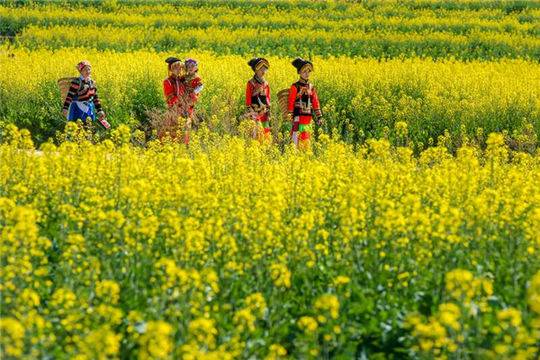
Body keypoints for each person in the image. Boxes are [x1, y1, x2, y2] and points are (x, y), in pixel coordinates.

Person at [287, 58, 323, 149]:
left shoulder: (311, 87)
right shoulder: (295, 86)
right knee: (296, 139)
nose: (307, 74)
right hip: (298, 117)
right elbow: (291, 102)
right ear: (299, 72)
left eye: (308, 71)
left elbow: (315, 102)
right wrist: (290, 115)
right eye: (304, 71)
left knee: (306, 139)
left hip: (308, 117)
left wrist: (319, 116)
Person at [62, 60, 108, 128]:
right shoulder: (77, 82)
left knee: (89, 128)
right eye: (85, 70)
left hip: (89, 108)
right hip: (77, 108)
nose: (88, 71)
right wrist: (65, 108)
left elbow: (95, 97)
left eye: (89, 69)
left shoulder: (92, 82)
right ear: (81, 71)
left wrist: (99, 110)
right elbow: (70, 96)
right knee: (77, 128)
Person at [245, 57, 271, 143]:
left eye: (265, 69)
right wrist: (251, 113)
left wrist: (268, 110)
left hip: (264, 113)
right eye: (261, 69)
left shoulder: (266, 84)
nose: (263, 71)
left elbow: (268, 98)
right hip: (254, 112)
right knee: (255, 135)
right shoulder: (251, 83)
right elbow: (248, 100)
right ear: (256, 70)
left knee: (265, 133)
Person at [161, 56, 185, 141]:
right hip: (173, 110)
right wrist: (181, 102)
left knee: (184, 132)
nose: (179, 70)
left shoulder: (183, 80)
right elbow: (170, 98)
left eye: (181, 68)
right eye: (176, 68)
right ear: (171, 69)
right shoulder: (167, 81)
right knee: (172, 131)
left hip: (184, 110)